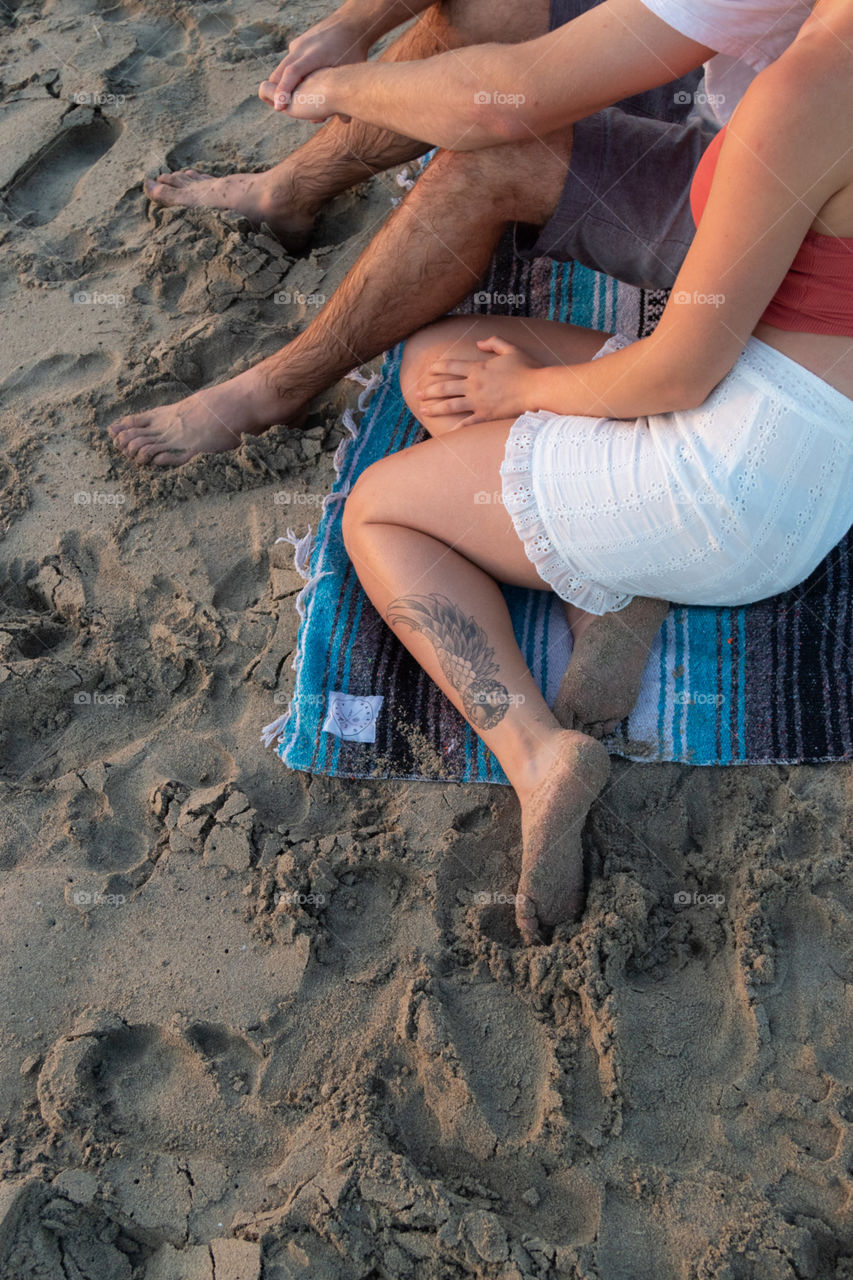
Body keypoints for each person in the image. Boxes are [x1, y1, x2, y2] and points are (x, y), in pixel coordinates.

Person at [340, 0, 853, 945]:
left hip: (720, 490)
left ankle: (538, 756)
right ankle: (621, 594)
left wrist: (526, 390)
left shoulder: (816, 87)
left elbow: (678, 370)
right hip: (821, 468)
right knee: (444, 364)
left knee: (379, 512)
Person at [107, 0, 814, 465]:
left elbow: (504, 107)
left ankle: (277, 388)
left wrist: (341, 84)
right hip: (755, 95)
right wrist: (356, 23)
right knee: (497, 8)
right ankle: (285, 193)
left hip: (793, 208)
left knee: (494, 152)